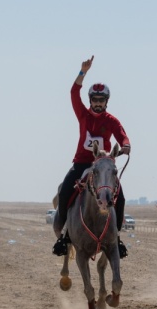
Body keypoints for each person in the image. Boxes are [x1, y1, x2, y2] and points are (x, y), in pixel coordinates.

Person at [52, 55, 131, 259]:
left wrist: (125, 145)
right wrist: (82, 72)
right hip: (81, 163)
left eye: (101, 100)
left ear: (106, 101)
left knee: (120, 197)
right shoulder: (83, 115)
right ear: (90, 101)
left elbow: (122, 134)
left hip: (102, 166)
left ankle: (117, 237)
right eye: (94, 100)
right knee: (64, 193)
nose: (97, 104)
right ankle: (63, 236)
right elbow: (73, 92)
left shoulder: (111, 120)